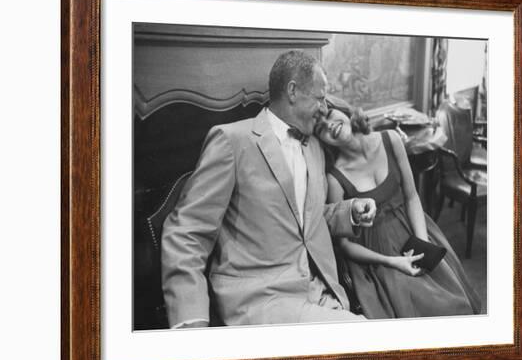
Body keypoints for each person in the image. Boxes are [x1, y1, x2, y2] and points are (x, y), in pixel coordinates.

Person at [161, 50, 376, 328]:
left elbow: (305, 219)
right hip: (261, 300)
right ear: (293, 91)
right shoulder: (232, 141)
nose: (325, 108)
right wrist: (190, 322)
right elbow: (186, 233)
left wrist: (349, 212)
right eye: (320, 98)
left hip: (321, 291)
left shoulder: (314, 147)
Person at [314, 105, 481, 318]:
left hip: (413, 231)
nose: (330, 125)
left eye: (329, 115)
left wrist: (423, 246)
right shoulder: (334, 178)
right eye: (321, 128)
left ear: (344, 112)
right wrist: (393, 262)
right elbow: (345, 245)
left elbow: (411, 196)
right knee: (416, 306)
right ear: (322, 141)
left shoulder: (390, 139)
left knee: (453, 302)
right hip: (376, 255)